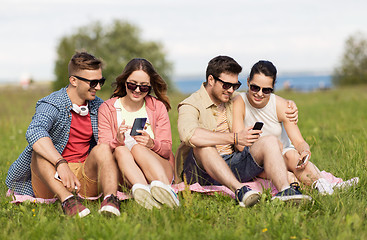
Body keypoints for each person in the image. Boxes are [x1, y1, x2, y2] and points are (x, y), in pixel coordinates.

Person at [176, 55, 312, 208]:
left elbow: (261, 96)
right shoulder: (190, 104)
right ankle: (240, 190)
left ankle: (285, 191)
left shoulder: (231, 98)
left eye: (235, 85)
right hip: (200, 171)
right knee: (204, 146)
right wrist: (234, 138)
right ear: (211, 80)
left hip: (233, 162)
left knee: (270, 141)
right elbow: (190, 135)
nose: (231, 90)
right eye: (227, 85)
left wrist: (289, 105)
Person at [5, 52, 121, 217]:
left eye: (100, 81)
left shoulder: (99, 106)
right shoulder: (52, 103)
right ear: (74, 80)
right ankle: (68, 202)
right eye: (93, 82)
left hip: (85, 174)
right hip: (52, 178)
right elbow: (34, 131)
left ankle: (111, 201)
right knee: (38, 151)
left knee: (102, 149)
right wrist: (61, 163)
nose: (98, 87)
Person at [232, 60, 359, 195]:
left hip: (284, 154)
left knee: (293, 156)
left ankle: (325, 186)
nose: (260, 93)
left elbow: (298, 141)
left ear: (273, 87)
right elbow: (240, 145)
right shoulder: (239, 102)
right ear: (247, 82)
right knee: (283, 168)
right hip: (256, 159)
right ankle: (324, 187)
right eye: (255, 88)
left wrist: (304, 151)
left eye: (267, 90)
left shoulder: (282, 105)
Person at [98, 58, 179, 210]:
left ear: (150, 87)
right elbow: (102, 150)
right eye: (132, 85)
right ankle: (145, 193)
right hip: (126, 173)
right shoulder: (107, 108)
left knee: (138, 148)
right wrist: (117, 141)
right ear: (124, 82)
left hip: (159, 171)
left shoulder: (157, 107)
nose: (137, 90)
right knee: (121, 150)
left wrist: (151, 144)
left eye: (144, 87)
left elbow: (167, 149)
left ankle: (167, 191)